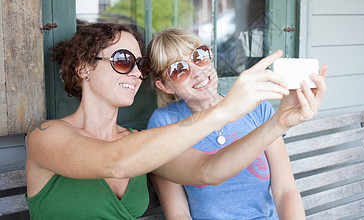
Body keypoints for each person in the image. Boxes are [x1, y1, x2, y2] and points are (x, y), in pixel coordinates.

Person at [25, 23, 326, 219]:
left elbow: (208, 170)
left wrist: (281, 123)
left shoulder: (140, 142)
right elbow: (114, 163)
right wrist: (224, 110)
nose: (135, 73)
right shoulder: (45, 136)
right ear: (83, 68)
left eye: (140, 64)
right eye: (122, 61)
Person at [146, 27, 328, 220]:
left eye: (199, 57)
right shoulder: (165, 123)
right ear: (164, 86)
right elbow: (178, 214)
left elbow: (285, 190)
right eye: (178, 70)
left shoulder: (257, 108)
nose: (197, 72)